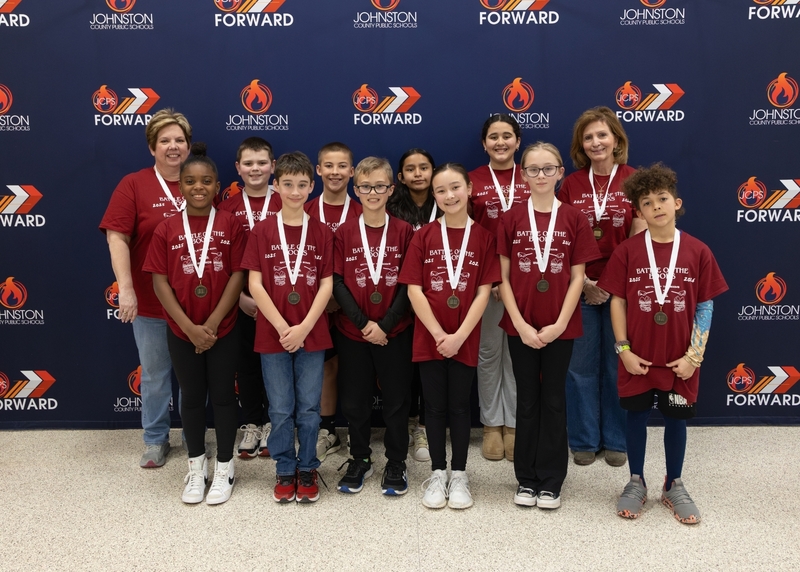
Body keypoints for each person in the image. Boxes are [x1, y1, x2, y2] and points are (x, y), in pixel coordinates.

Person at [598, 163, 727, 523]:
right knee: (636, 416)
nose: (656, 206)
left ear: (677, 203)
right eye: (647, 202)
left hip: (680, 360)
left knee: (676, 419)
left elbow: (705, 305)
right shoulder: (627, 251)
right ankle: (635, 480)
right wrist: (623, 350)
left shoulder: (698, 251)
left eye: (662, 198)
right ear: (638, 212)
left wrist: (694, 356)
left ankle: (674, 484)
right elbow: (618, 301)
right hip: (637, 357)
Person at [497, 142, 600, 509]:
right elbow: (502, 278)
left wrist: (559, 324)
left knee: (554, 400)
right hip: (519, 325)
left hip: (561, 326)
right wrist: (520, 324)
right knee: (527, 400)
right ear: (522, 174)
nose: (540, 175)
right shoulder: (510, 218)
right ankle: (526, 478)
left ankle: (552, 480)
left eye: (548, 168)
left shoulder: (574, 218)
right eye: (533, 169)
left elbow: (578, 277)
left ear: (560, 172)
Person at [144, 144, 246, 504]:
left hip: (224, 327)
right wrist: (189, 328)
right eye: (190, 181)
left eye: (205, 181)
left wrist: (213, 322)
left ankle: (225, 466)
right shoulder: (166, 228)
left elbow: (237, 275)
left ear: (217, 185)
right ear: (180, 186)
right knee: (190, 397)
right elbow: (160, 282)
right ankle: (196, 465)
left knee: (223, 396)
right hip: (181, 330)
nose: (198, 187)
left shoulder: (231, 223)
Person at [399, 163, 500, 510]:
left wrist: (458, 335)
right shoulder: (423, 236)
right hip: (430, 335)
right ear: (434, 196)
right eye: (441, 190)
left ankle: (459, 474)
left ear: (469, 189)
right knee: (434, 406)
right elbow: (413, 289)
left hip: (465, 335)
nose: (449, 195)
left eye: (455, 187)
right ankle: (437, 472)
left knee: (459, 405)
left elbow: (484, 292)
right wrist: (440, 333)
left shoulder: (484, 237)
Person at [100, 108, 192, 468]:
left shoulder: (200, 180)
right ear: (152, 147)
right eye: (164, 140)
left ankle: (193, 436)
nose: (173, 146)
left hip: (194, 304)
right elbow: (117, 237)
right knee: (154, 376)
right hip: (151, 304)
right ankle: (155, 439)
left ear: (188, 146)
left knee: (193, 376)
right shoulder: (134, 184)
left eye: (179, 140)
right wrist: (126, 289)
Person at [242, 151, 334, 504]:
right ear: (276, 185)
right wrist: (283, 327)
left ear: (312, 187)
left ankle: (307, 466)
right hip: (273, 334)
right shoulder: (262, 231)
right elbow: (254, 284)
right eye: (288, 184)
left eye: (302, 185)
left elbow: (326, 284)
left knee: (309, 408)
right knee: (280, 408)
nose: (295, 191)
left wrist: (304, 327)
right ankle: (284, 467)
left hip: (312, 332)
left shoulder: (322, 232)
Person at [560, 106, 647, 467]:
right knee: (579, 367)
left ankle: (616, 439)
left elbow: (640, 236)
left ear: (616, 140)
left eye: (602, 135)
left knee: (616, 365)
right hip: (579, 285)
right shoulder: (571, 184)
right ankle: (583, 439)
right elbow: (561, 237)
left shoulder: (634, 178)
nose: (595, 142)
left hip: (620, 290)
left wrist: (611, 285)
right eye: (588, 137)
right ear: (581, 144)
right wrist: (584, 283)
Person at [332, 157, 415, 495]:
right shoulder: (344, 232)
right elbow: (337, 282)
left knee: (396, 400)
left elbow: (410, 283)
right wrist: (365, 324)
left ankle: (396, 461)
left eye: (380, 186)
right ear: (356, 189)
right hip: (354, 332)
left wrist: (386, 324)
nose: (373, 192)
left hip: (395, 330)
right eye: (366, 186)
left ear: (391, 189)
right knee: (355, 401)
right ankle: (360, 457)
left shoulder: (404, 231)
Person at [469, 114, 530, 462]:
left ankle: (516, 424)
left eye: (507, 136)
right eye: (493, 137)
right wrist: (492, 276)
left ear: (518, 142)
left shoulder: (532, 175)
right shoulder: (472, 180)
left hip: (528, 282)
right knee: (489, 353)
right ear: (484, 144)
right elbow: (469, 235)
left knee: (519, 355)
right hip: (487, 282)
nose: (500, 142)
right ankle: (492, 424)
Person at [218, 136, 280, 460]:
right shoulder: (226, 208)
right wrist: (241, 296)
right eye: (248, 163)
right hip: (241, 301)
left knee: (276, 364)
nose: (255, 169)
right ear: (238, 168)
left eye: (262, 162)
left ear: (273, 166)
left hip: (280, 301)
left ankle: (274, 423)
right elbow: (222, 257)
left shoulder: (286, 202)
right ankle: (253, 422)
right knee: (247, 364)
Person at [304, 142, 362, 463]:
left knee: (353, 369)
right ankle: (327, 431)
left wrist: (343, 300)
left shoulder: (363, 210)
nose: (335, 172)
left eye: (342, 166)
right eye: (329, 165)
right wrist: (325, 299)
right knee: (326, 367)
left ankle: (356, 428)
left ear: (352, 171)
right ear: (318, 170)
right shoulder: (306, 210)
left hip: (353, 307)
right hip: (317, 307)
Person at [386, 148, 439, 463]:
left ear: (433, 171)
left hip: (438, 296)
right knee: (402, 366)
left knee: (428, 367)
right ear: (401, 177)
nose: (418, 174)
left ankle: (424, 426)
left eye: (424, 167)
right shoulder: (390, 208)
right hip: (400, 297)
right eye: (410, 169)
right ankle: (405, 421)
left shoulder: (446, 203)